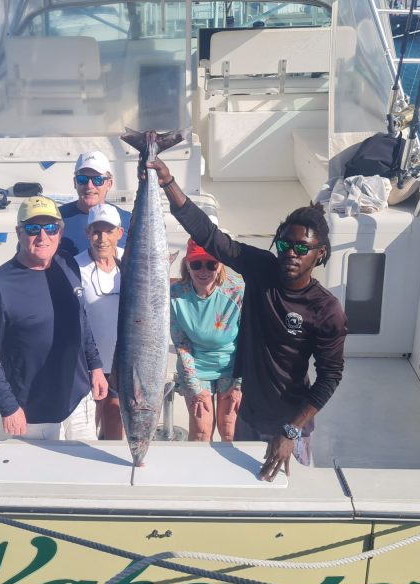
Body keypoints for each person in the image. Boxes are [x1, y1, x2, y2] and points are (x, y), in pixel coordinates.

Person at [146, 158, 347, 481]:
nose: (291, 253)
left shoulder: (326, 309)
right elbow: (209, 236)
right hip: (249, 417)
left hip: (290, 425)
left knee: (285, 500)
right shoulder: (261, 268)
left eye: (302, 248)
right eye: (285, 244)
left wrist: (291, 431)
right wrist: (169, 183)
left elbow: (330, 377)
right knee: (242, 490)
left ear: (319, 254)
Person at [0, 196, 109, 440]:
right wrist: (8, 406)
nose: (43, 236)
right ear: (19, 232)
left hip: (80, 400)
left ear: (60, 230)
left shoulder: (67, 263)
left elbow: (81, 319)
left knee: (85, 474)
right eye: (33, 228)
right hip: (33, 413)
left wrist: (95, 366)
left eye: (51, 227)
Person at [170, 239, 245, 442]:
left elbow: (248, 340)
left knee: (229, 429)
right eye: (196, 264)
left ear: (220, 264)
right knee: (201, 431)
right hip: (195, 367)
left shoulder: (238, 291)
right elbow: (181, 345)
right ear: (186, 264)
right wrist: (194, 388)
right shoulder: (175, 295)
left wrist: (238, 385)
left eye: (211, 264)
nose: (204, 271)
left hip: (232, 367)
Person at [74, 203, 125, 440]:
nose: (101, 238)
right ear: (87, 233)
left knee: (115, 420)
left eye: (108, 231)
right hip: (89, 363)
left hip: (123, 361)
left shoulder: (134, 260)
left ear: (119, 233)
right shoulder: (75, 266)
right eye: (95, 231)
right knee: (90, 421)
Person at [59, 150, 132, 257]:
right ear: (75, 183)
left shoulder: (128, 220)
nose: (89, 185)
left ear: (109, 184)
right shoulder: (56, 218)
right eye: (82, 179)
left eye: (97, 179)